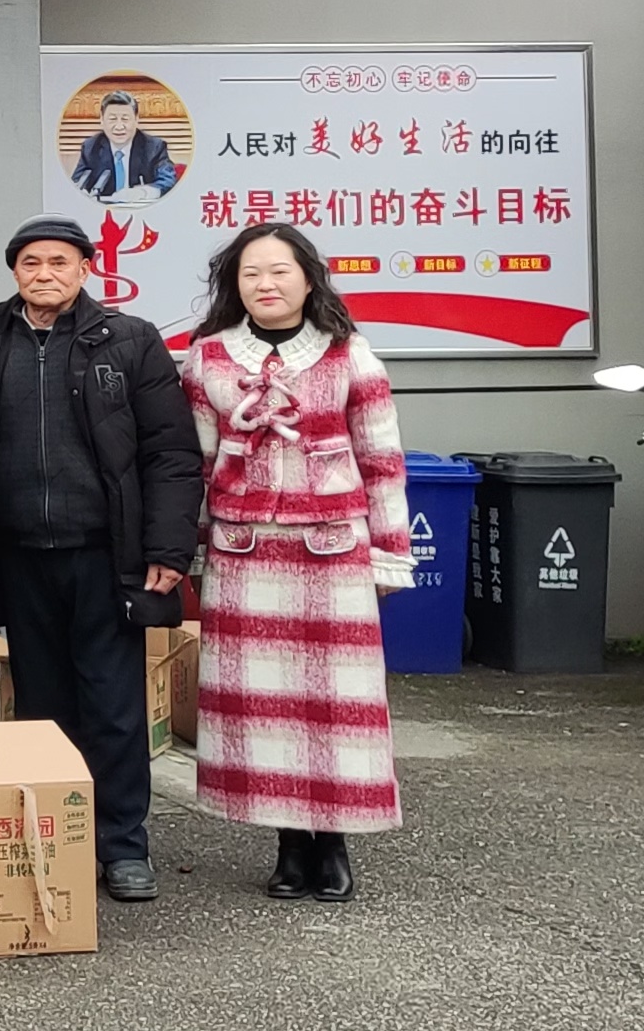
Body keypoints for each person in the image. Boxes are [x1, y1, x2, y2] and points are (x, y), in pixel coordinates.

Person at [0, 216, 202, 907]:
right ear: (14, 271)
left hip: (105, 556)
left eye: (59, 261)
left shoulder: (130, 341)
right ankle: (57, 841)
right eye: (31, 262)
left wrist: (168, 549)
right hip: (18, 559)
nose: (45, 273)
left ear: (86, 270)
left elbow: (171, 453)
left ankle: (123, 846)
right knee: (41, 709)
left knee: (114, 707)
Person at [182, 222, 411, 904]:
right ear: (235, 284)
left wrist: (389, 554)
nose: (266, 284)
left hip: (332, 552)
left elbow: (382, 460)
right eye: (251, 273)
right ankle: (287, 843)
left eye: (280, 271)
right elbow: (195, 464)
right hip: (244, 551)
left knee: (334, 704)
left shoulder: (349, 354)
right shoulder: (208, 358)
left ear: (309, 279)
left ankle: (333, 841)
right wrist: (193, 551)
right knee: (264, 709)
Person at [69, 90, 179, 203]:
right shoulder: (91, 148)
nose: (119, 126)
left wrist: (142, 192)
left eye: (125, 119)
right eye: (112, 119)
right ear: (101, 119)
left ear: (136, 119)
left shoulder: (154, 147)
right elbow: (76, 184)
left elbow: (168, 181)